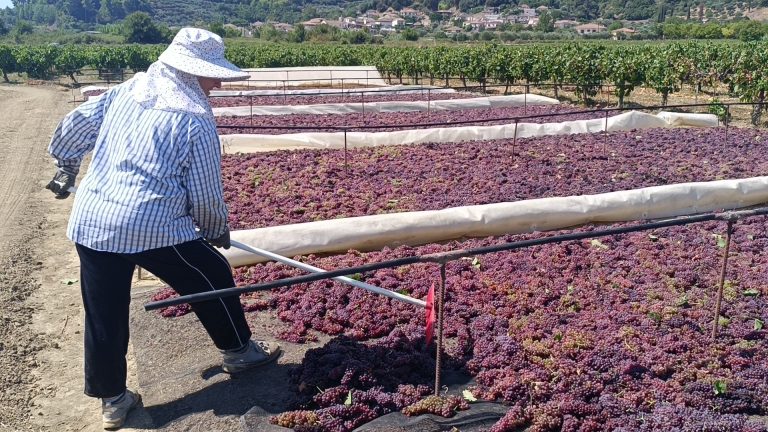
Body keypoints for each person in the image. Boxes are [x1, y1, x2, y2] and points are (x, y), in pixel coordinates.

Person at [45, 27, 280, 430]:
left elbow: (75, 124)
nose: (219, 81)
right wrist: (214, 229)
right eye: (213, 73)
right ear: (190, 73)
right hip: (152, 225)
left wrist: (65, 165)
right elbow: (204, 194)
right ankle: (240, 353)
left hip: (93, 222)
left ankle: (113, 401)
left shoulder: (129, 90)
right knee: (213, 276)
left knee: (104, 312)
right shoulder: (195, 119)